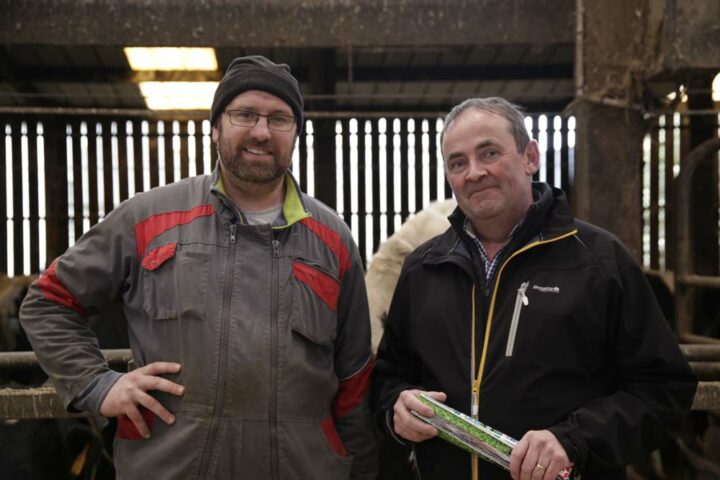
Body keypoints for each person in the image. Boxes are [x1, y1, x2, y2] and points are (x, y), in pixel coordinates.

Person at [20, 55, 377, 480]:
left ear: (295, 133)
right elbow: (48, 303)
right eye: (245, 114)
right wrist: (99, 384)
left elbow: (354, 381)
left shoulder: (333, 240)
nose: (261, 131)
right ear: (214, 128)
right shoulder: (149, 219)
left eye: (279, 119)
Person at [370, 97, 697, 480]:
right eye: (458, 162)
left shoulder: (598, 261)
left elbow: (664, 391)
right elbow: (388, 377)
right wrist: (396, 405)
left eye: (488, 153)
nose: (474, 172)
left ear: (530, 157)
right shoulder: (423, 268)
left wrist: (574, 439)